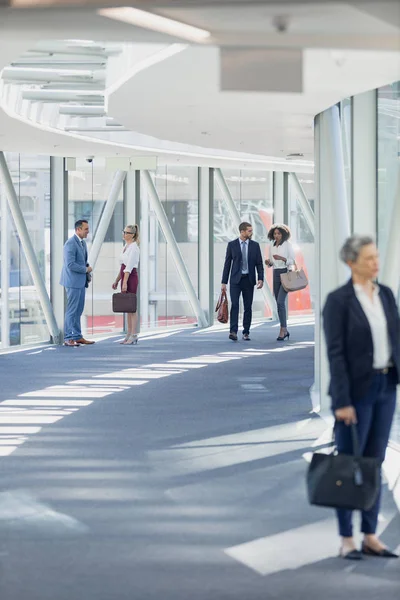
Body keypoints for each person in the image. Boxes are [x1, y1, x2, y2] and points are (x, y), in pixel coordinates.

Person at [323, 234, 400, 560]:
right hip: (355, 394)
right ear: (351, 262)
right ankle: (346, 538)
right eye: (369, 258)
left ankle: (370, 534)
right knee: (348, 464)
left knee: (374, 463)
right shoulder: (338, 301)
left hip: (385, 388)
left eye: (376, 257)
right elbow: (336, 354)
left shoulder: (385, 294)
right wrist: (341, 401)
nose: (375, 263)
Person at [221, 222, 264, 341]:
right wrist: (223, 282)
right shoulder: (232, 245)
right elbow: (227, 264)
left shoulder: (255, 245)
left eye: (251, 230)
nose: (251, 233)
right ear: (242, 231)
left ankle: (246, 332)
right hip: (235, 280)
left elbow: (259, 263)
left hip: (248, 280)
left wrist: (261, 278)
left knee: (248, 307)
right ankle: (233, 331)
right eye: (249, 231)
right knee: (234, 305)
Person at [60, 219, 94, 346]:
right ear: (78, 229)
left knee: (78, 310)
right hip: (72, 282)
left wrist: (86, 267)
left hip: (80, 282)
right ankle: (68, 338)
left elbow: (81, 261)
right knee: (71, 310)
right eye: (86, 229)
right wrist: (86, 269)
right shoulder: (70, 244)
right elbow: (70, 265)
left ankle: (77, 336)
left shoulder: (82, 243)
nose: (88, 231)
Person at [265, 224, 295, 341]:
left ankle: (283, 329)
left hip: (285, 273)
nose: (276, 235)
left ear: (283, 234)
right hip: (275, 273)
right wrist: (269, 262)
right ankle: (285, 329)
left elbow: (292, 260)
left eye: (279, 233)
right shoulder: (271, 246)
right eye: (275, 233)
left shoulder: (287, 245)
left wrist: (282, 258)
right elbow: (272, 262)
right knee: (278, 303)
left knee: (280, 301)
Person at [112, 224, 140, 345]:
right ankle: (129, 333)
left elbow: (128, 267)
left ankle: (134, 334)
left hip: (130, 277)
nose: (124, 234)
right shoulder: (126, 246)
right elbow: (122, 267)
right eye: (124, 232)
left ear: (132, 235)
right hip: (125, 276)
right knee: (128, 308)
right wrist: (117, 280)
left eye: (127, 232)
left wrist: (124, 283)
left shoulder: (134, 248)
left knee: (132, 307)